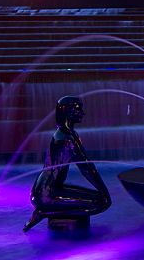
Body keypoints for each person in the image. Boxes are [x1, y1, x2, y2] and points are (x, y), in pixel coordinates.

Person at [23, 95, 111, 231]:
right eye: (78, 110)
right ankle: (46, 212)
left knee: (98, 198)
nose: (83, 113)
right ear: (67, 113)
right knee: (101, 203)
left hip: (48, 189)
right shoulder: (66, 139)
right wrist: (105, 193)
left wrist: (103, 192)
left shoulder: (65, 134)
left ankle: (46, 211)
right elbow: (86, 168)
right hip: (46, 195)